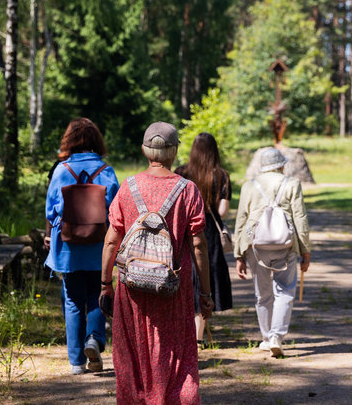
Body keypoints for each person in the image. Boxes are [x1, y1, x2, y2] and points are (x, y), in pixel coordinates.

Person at [100, 121, 214, 404]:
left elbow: (112, 240)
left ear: (143, 149)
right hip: (173, 288)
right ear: (174, 151)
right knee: (176, 352)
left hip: (132, 288)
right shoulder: (187, 190)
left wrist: (105, 284)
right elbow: (198, 245)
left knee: (134, 355)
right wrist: (206, 293)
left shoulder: (128, 187)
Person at [44, 117, 120, 375]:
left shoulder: (62, 169)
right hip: (100, 245)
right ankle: (94, 340)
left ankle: (76, 362)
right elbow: (117, 209)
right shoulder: (105, 170)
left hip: (68, 247)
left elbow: (51, 211)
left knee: (73, 300)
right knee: (98, 294)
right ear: (96, 140)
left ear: (69, 140)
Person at [233, 147, 310, 358]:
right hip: (285, 245)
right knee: (285, 291)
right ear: (281, 164)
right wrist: (305, 249)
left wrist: (239, 254)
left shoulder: (249, 185)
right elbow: (300, 218)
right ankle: (277, 336)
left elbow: (241, 219)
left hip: (256, 246)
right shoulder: (292, 183)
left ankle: (267, 338)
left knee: (262, 294)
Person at [174, 132, 233, 347]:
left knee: (186, 279)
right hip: (209, 234)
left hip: (183, 231)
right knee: (205, 281)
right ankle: (198, 337)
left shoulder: (181, 172)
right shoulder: (221, 175)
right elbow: (223, 211)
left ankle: (185, 332)